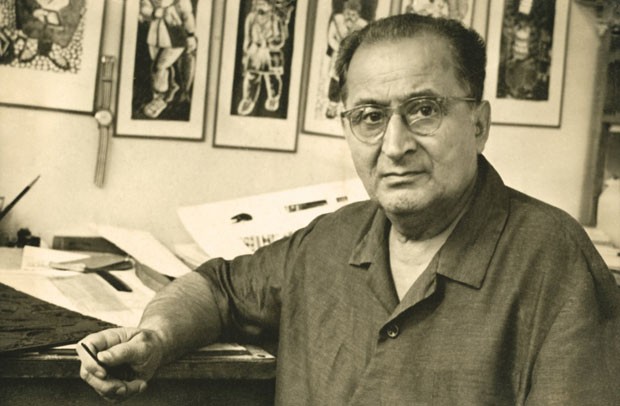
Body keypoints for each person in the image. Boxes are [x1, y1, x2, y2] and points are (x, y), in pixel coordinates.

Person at [78, 13, 620, 404]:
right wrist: (155, 339)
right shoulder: (326, 243)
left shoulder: (554, 261)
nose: (395, 145)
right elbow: (216, 288)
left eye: (424, 110)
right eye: (370, 117)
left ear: (478, 124)